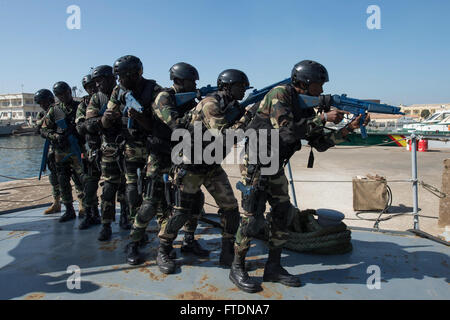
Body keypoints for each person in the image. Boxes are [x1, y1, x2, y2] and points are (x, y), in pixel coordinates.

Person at [229, 60, 370, 293]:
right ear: (304, 83)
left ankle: (273, 267)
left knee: (283, 213)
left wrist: (349, 128)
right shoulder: (280, 94)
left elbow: (320, 143)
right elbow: (287, 132)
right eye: (318, 85)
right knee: (251, 217)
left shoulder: (305, 107)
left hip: (275, 166)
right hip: (256, 163)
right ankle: (237, 267)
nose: (322, 91)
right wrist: (323, 118)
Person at [155, 69, 250, 274]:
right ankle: (163, 249)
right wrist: (246, 120)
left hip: (211, 165)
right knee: (181, 212)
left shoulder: (230, 105)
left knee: (231, 208)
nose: (244, 90)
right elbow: (224, 135)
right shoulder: (211, 104)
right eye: (240, 86)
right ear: (226, 86)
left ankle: (227, 253)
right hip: (190, 165)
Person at [126, 62, 209, 265]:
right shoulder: (164, 98)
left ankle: (189, 240)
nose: (194, 85)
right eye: (191, 81)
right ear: (178, 81)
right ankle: (134, 243)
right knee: (151, 203)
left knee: (195, 199)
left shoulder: (191, 100)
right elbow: (176, 125)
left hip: (182, 156)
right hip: (161, 156)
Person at [100, 55, 163, 241]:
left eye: (122, 76)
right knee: (132, 190)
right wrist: (108, 117)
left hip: (153, 147)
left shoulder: (155, 90)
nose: (119, 81)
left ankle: (164, 234)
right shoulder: (118, 91)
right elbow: (104, 122)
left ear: (135, 74)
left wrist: (139, 117)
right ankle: (137, 231)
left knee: (156, 191)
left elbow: (159, 126)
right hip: (130, 148)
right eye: (117, 77)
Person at [40, 81, 85, 222]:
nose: (63, 96)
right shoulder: (55, 109)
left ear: (69, 92)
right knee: (63, 180)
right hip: (60, 151)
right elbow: (43, 129)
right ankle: (69, 209)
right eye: (59, 95)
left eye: (65, 93)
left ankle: (84, 207)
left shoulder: (80, 106)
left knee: (82, 180)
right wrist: (55, 136)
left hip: (77, 149)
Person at [75, 74, 102, 229]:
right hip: (91, 149)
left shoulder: (107, 98)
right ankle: (91, 214)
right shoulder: (83, 104)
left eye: (95, 85)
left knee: (119, 185)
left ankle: (124, 216)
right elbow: (80, 126)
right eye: (89, 87)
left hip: (110, 147)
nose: (93, 89)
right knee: (89, 184)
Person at [35, 89, 61, 215]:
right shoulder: (42, 115)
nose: (42, 105)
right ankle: (56, 202)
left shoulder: (59, 109)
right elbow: (38, 129)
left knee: (76, 177)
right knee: (54, 178)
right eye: (40, 103)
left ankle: (83, 205)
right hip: (52, 149)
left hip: (66, 148)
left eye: (44, 102)